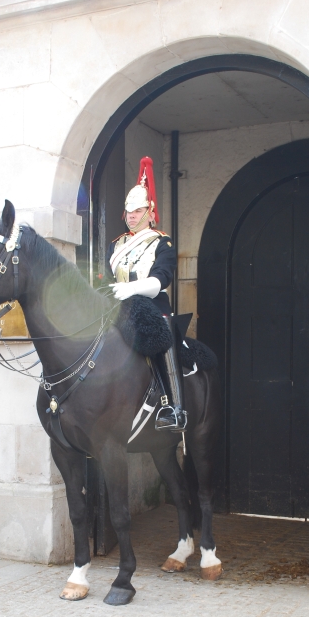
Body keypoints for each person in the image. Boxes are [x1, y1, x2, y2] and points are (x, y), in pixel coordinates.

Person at [106, 156, 187, 432]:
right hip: (118, 308)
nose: (131, 215)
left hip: (151, 307)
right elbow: (106, 279)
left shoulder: (161, 242)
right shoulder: (116, 245)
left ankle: (173, 407)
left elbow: (161, 281)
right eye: (129, 211)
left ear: (150, 211)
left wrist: (130, 288)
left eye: (138, 211)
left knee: (161, 334)